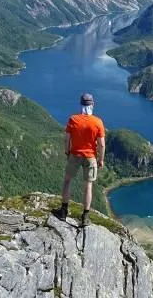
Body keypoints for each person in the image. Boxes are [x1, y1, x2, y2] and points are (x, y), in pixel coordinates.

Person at [58, 93, 105, 227]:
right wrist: (100, 160)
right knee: (88, 186)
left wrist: (67, 151)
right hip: (90, 157)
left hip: (75, 155)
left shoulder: (73, 119)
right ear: (92, 105)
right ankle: (85, 216)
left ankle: (63, 211)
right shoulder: (98, 122)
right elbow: (101, 144)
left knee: (67, 181)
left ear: (81, 104)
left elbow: (67, 138)